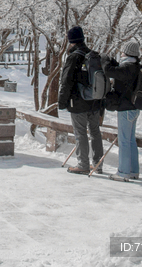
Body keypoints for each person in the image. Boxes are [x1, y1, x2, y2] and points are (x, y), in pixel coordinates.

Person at [58, 26, 105, 175]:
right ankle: (98, 164)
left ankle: (83, 164)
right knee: (95, 132)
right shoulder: (93, 55)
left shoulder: (74, 57)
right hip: (95, 101)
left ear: (70, 41)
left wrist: (62, 101)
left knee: (80, 133)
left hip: (78, 102)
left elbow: (66, 81)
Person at [104, 40, 142, 181]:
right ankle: (133, 170)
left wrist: (106, 60)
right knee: (131, 140)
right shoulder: (135, 66)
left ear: (127, 53)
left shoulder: (127, 67)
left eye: (122, 51)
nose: (121, 53)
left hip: (125, 109)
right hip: (134, 108)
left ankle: (123, 172)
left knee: (124, 140)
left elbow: (109, 71)